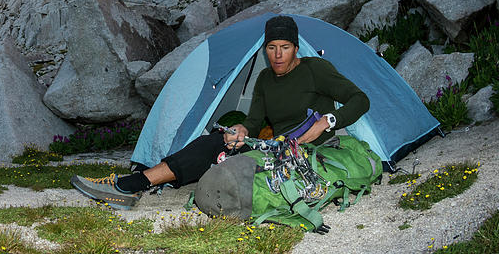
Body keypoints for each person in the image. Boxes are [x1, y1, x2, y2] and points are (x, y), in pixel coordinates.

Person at [71, 15, 371, 210]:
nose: (277, 55)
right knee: (217, 141)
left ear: (296, 48)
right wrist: (241, 130)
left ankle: (132, 185)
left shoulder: (316, 70)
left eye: (285, 47)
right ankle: (134, 184)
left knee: (218, 158)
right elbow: (254, 121)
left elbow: (360, 99)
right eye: (271, 48)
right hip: (276, 146)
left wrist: (329, 121)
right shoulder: (265, 80)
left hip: (305, 149)